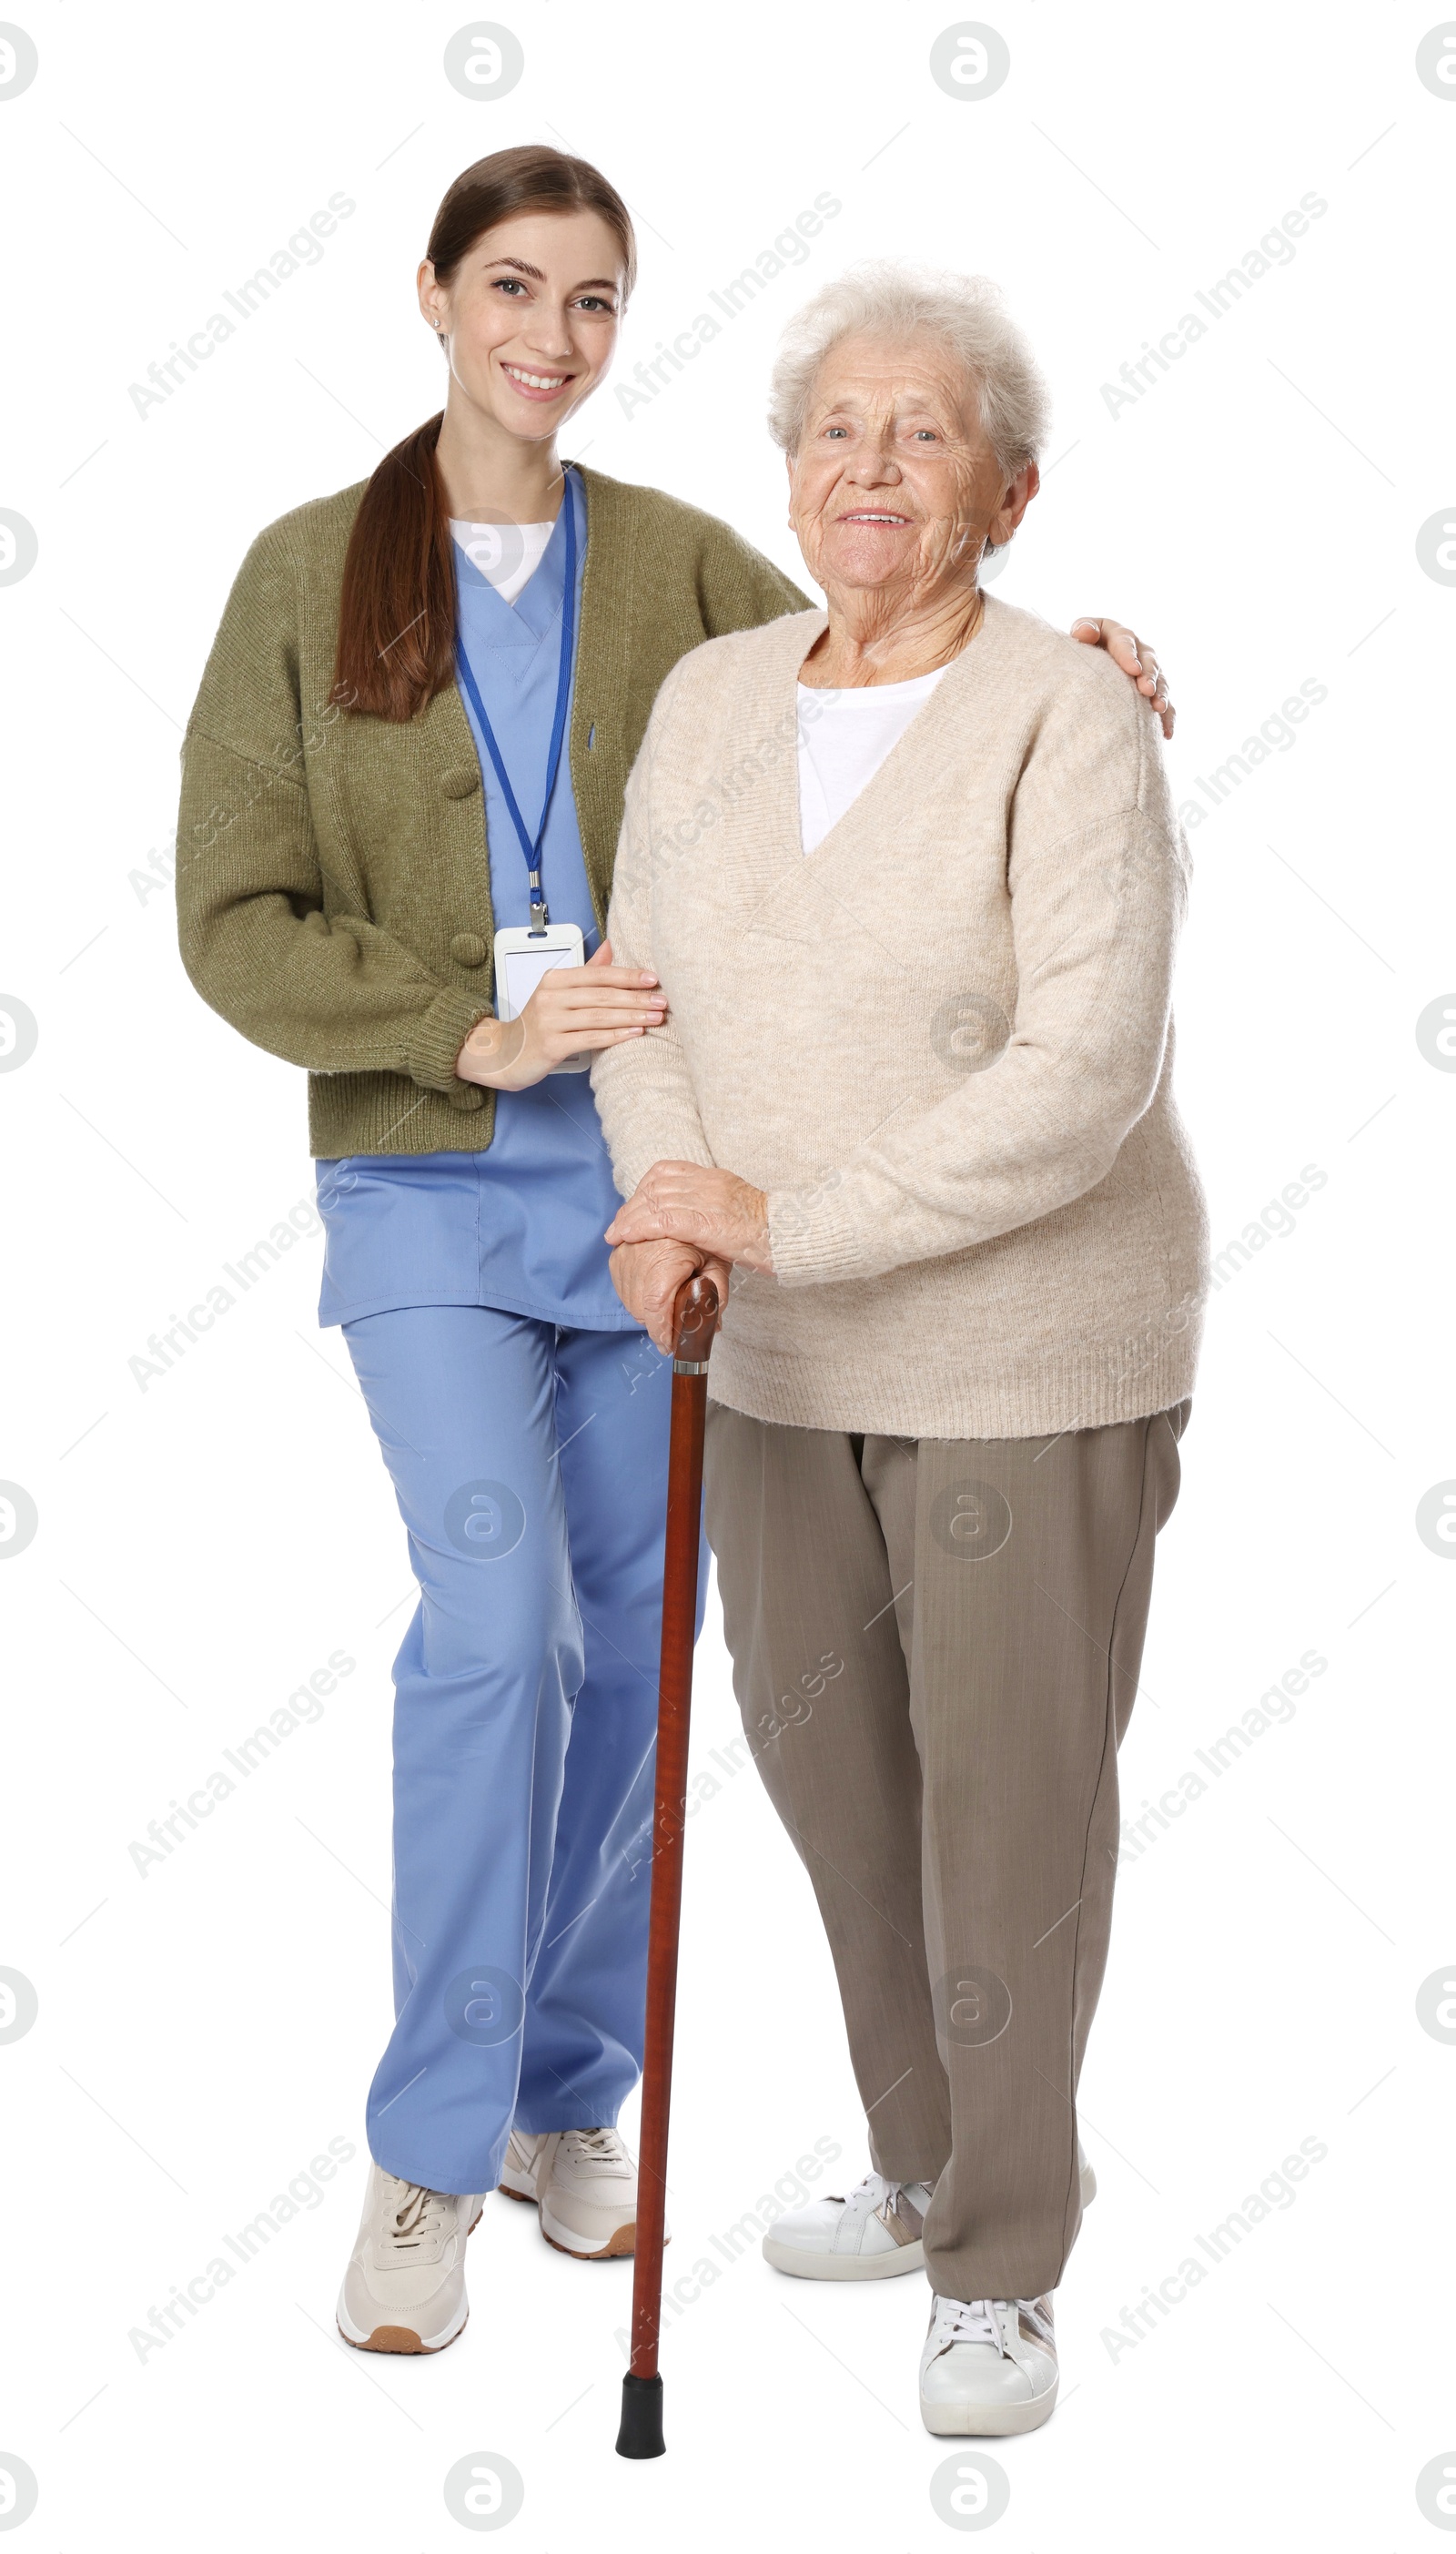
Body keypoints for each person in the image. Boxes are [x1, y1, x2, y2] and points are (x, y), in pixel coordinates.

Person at [175, 149, 1172, 2362]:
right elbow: (226, 920)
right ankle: (430, 2149)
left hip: (670, 1211)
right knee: (493, 1624)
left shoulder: (667, 572)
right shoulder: (295, 573)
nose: (550, 332)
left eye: (596, 298)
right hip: (444, 1183)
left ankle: (562, 2100)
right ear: (430, 295)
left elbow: (887, 623)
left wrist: (1085, 652)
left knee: (640, 1665)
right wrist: (465, 1025)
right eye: (511, 286)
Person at [595, 260, 1208, 2437]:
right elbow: (633, 987)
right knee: (836, 1793)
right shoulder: (709, 696)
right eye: (832, 428)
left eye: (920, 432)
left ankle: (1004, 2260)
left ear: (1006, 493)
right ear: (787, 472)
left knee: (1006, 1815)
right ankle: (923, 2151)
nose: (866, 464)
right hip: (764, 1354)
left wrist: (791, 1221)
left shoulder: (1065, 714)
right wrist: (678, 1208)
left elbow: (1084, 1071)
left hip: (1023, 1357)